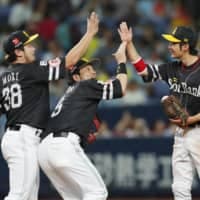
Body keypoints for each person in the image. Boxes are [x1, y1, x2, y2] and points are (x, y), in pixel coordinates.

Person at [0, 12, 99, 200]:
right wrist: (90, 34)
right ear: (18, 52)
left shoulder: (4, 77)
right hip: (23, 138)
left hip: (15, 137)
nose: (34, 48)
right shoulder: (31, 70)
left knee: (27, 196)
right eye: (29, 45)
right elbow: (69, 62)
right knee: (19, 195)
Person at [118, 22, 200, 200]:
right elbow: (144, 71)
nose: (169, 46)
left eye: (173, 43)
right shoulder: (172, 68)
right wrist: (129, 43)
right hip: (181, 133)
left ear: (185, 46)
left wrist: (191, 119)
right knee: (179, 188)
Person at [38, 41, 128, 200]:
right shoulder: (85, 86)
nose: (93, 72)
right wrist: (121, 61)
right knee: (97, 193)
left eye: (93, 68)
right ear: (76, 76)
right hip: (63, 145)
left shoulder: (68, 95)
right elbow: (120, 88)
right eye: (88, 69)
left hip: (45, 150)